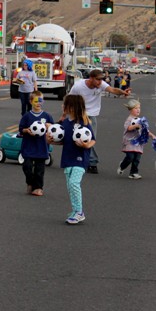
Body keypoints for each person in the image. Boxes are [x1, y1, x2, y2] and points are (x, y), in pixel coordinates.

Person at [68, 68, 130, 174]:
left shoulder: (101, 85)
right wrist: (65, 115)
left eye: (101, 80)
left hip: (91, 116)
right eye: (98, 79)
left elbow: (113, 90)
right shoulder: (79, 86)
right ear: (91, 78)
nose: (100, 82)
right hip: (78, 115)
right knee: (74, 139)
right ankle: (83, 161)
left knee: (90, 139)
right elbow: (69, 99)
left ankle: (91, 162)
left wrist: (123, 92)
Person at [48, 94, 95, 225]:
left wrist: (86, 145)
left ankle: (79, 212)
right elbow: (63, 141)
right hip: (68, 159)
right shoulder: (65, 124)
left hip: (80, 159)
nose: (62, 106)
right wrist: (50, 141)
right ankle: (75, 210)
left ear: (72, 107)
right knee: (70, 186)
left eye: (65, 104)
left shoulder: (84, 124)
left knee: (74, 183)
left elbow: (92, 140)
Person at [19, 90, 54, 196]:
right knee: (27, 167)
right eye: (36, 101)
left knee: (39, 170)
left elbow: (53, 130)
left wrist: (49, 127)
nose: (38, 103)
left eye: (40, 101)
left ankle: (38, 188)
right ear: (30, 101)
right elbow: (21, 129)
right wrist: (27, 130)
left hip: (41, 147)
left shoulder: (47, 116)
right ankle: (30, 182)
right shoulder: (27, 116)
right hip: (29, 147)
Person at [117, 99, 156, 180]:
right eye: (136, 108)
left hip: (138, 142)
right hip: (129, 141)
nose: (138, 110)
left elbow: (145, 130)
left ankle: (133, 172)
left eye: (139, 108)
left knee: (137, 159)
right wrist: (135, 126)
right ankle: (122, 166)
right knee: (130, 157)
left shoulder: (140, 120)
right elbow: (128, 128)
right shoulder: (129, 119)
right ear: (130, 109)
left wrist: (152, 135)